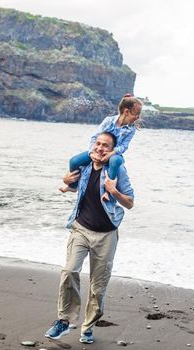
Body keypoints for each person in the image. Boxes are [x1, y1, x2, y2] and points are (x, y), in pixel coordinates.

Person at [45, 131, 135, 344]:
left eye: (105, 146)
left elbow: (130, 202)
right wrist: (66, 181)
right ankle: (64, 321)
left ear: (112, 150)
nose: (100, 148)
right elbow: (70, 185)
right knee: (69, 270)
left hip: (106, 235)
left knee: (98, 287)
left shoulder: (117, 171)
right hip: (81, 229)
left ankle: (88, 326)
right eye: (97, 144)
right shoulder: (84, 167)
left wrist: (114, 192)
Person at [59, 94, 142, 201]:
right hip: (98, 151)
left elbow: (124, 146)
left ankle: (107, 192)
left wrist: (111, 154)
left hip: (114, 154)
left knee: (116, 161)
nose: (138, 117)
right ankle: (73, 186)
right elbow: (95, 137)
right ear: (126, 112)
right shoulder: (109, 121)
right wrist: (92, 153)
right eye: (136, 114)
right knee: (74, 161)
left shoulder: (131, 129)